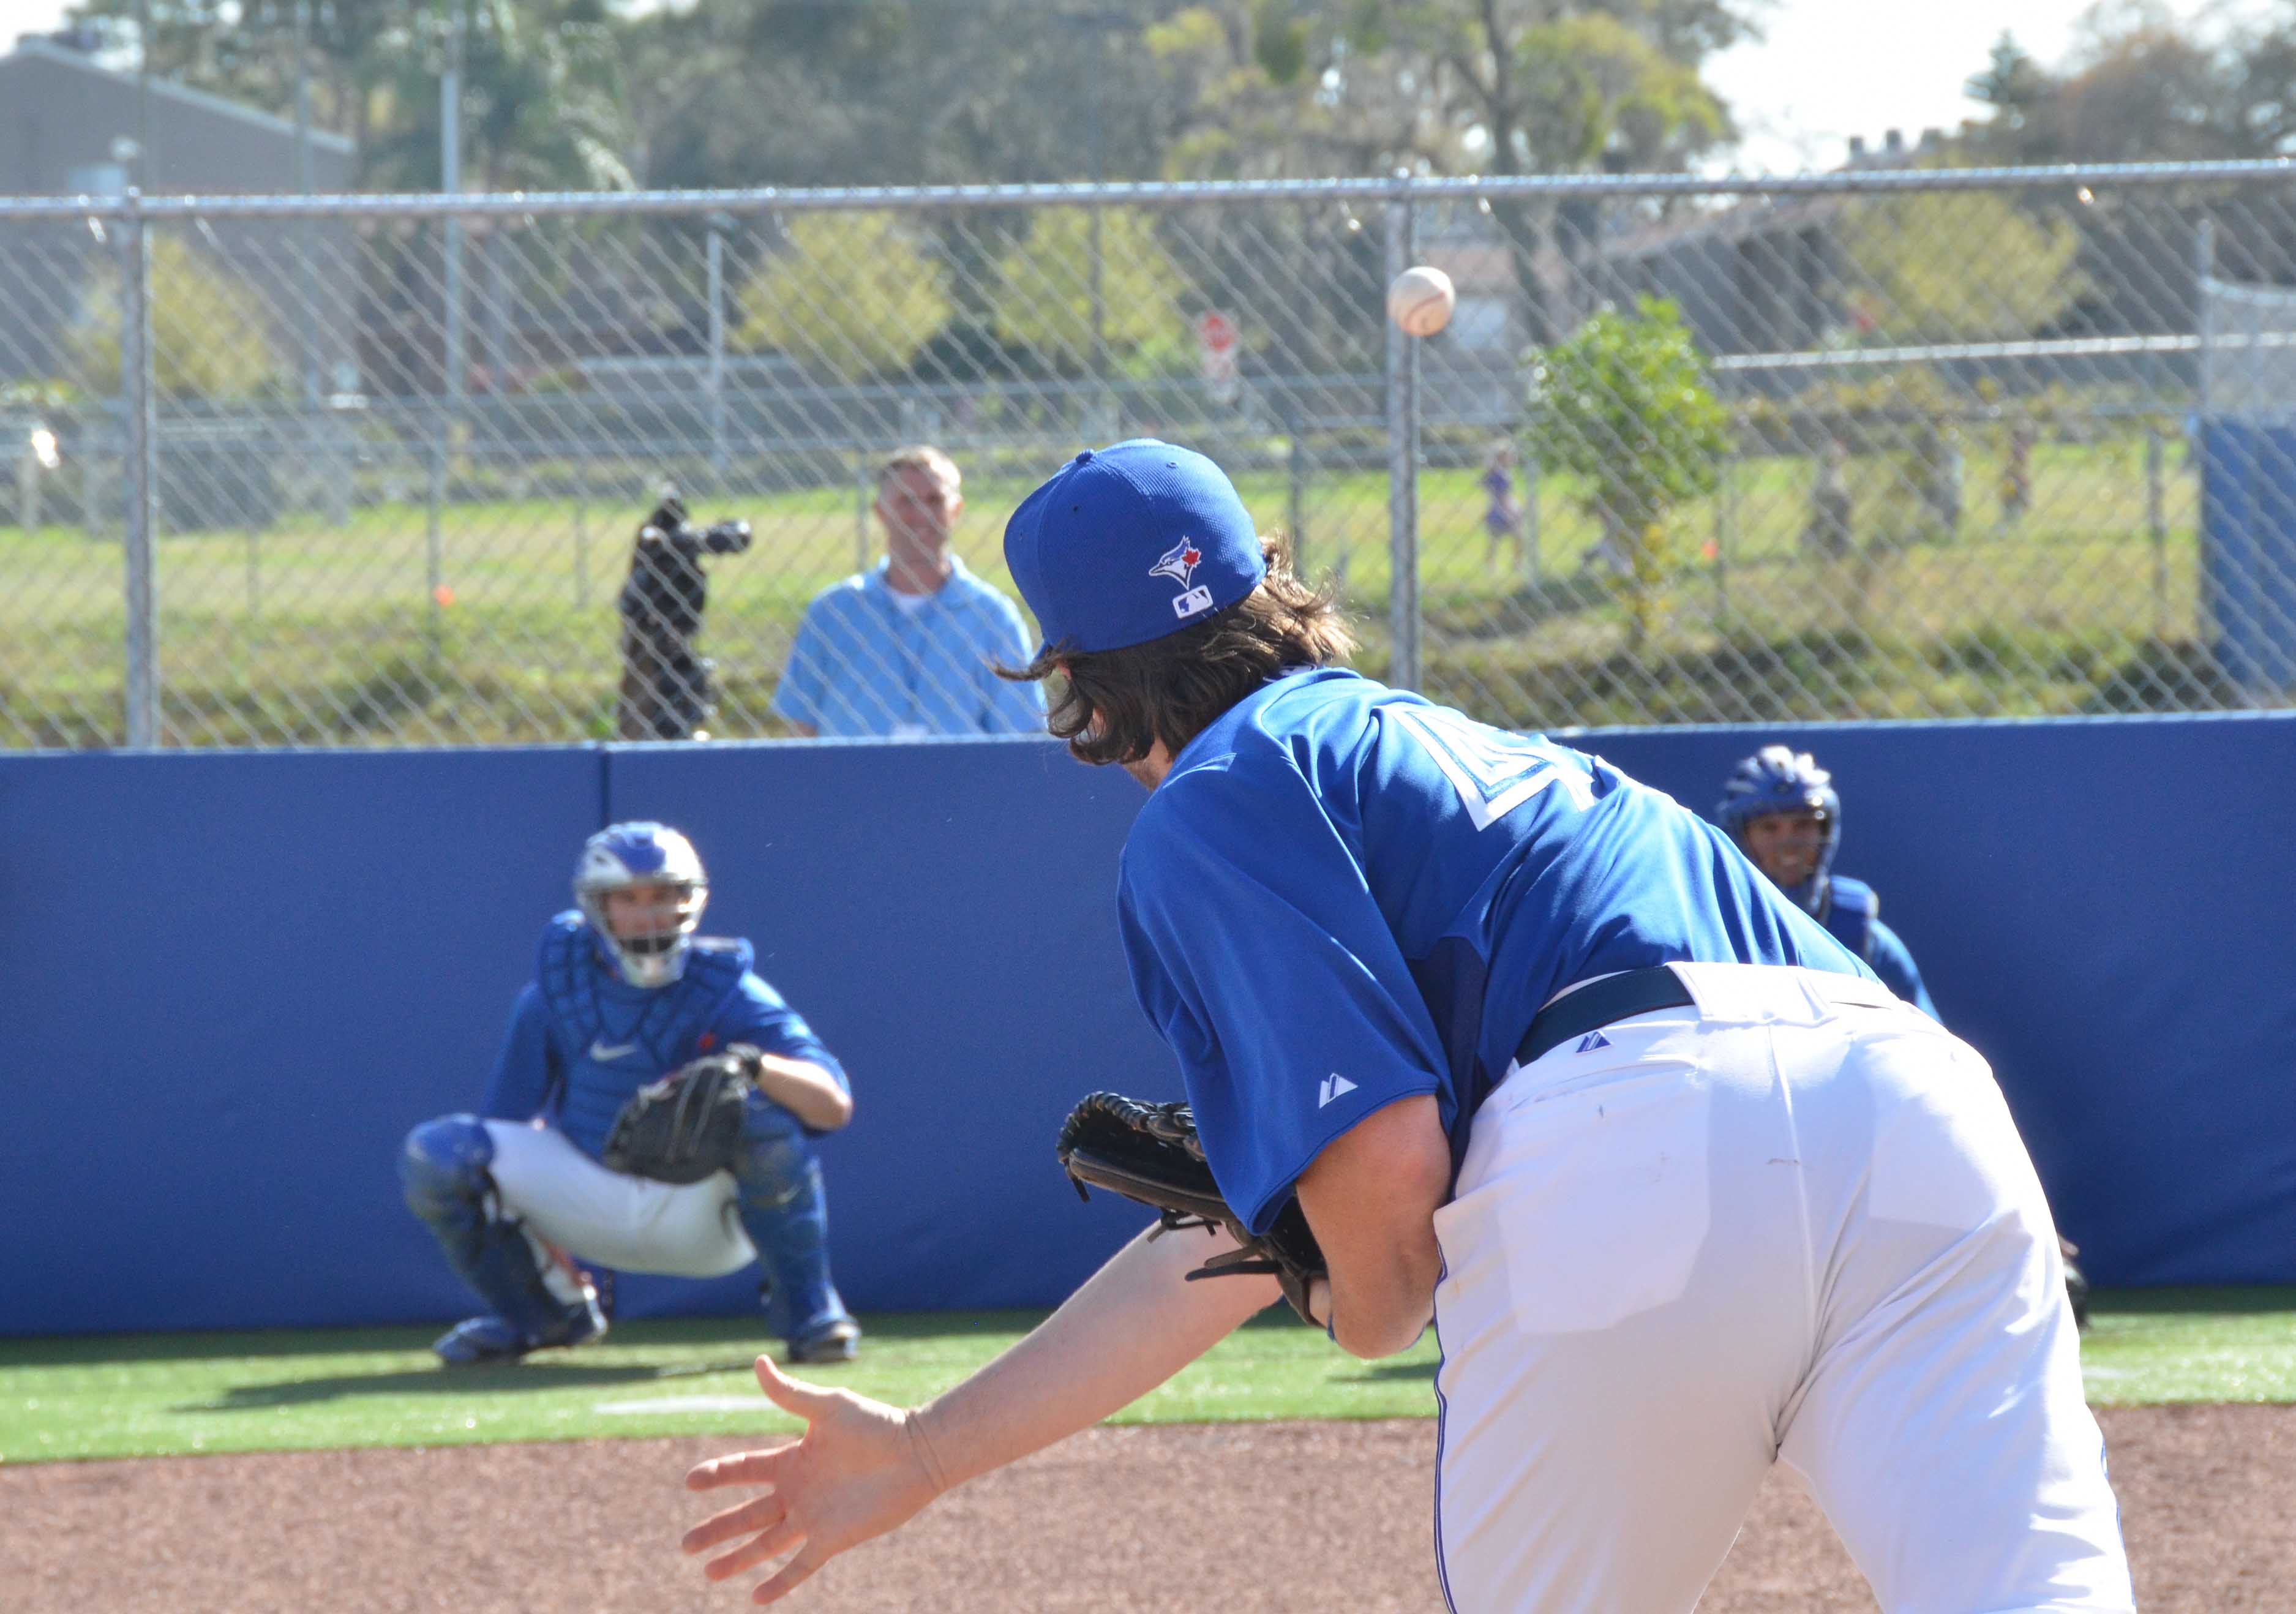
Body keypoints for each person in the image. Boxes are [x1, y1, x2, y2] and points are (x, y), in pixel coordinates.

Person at [683, 441, 2128, 1611]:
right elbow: (1252, 1218)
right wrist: (931, 1450)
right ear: (1266, 591)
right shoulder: (1485, 757)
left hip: (1631, 1127)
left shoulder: (1216, 797)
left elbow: (1374, 1180)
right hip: (1913, 1110)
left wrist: (1356, 1300)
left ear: (1071, 678)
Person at [400, 822, 861, 1368]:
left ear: (691, 900)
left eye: (663, 896)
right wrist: (546, 1246)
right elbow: (506, 1129)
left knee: (765, 1117)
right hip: (588, 1196)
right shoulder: (556, 991)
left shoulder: (732, 991)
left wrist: (755, 1066)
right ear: (599, 905)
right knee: (441, 1155)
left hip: (700, 1215)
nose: (647, 914)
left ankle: (810, 1312)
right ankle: (539, 1314)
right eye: (628, 898)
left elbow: (833, 1106)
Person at [771, 445, 1046, 738]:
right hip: (852, 783)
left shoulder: (993, 616)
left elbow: (1021, 733)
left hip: (959, 783)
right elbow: (802, 730)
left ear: (956, 510)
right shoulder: (831, 613)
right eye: (907, 501)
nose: (922, 515)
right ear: (881, 511)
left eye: (935, 500)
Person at [1714, 745, 1937, 1019]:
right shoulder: (1715, 924)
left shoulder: (1860, 934)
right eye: (1769, 828)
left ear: (1826, 828)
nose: (1789, 844)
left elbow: (1928, 1041)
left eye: (1803, 825)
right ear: (1740, 835)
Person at [617, 494, 753, 741]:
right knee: (644, 710)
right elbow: (631, 605)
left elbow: (738, 536)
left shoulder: (685, 552)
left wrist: (696, 540)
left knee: (686, 692)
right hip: (649, 642)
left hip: (681, 645)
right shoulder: (649, 561)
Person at [1480, 440, 1525, 575]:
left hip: (1495, 511)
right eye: (1508, 456)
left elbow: (1483, 485)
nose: (1511, 458)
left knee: (1495, 541)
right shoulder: (1501, 475)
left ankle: (1492, 566)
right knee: (1516, 538)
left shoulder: (1496, 473)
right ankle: (1515, 565)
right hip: (1503, 511)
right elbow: (1502, 496)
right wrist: (1513, 511)